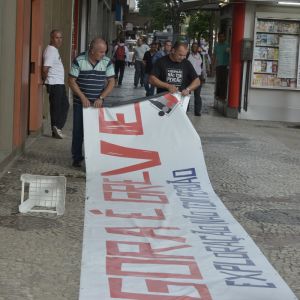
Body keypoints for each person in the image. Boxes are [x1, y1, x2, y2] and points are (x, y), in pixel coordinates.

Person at [68, 38, 115, 167]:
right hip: (80, 103)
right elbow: (71, 81)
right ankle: (77, 158)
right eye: (100, 52)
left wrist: (101, 97)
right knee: (78, 131)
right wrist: (83, 98)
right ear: (92, 51)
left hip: (97, 104)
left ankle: (93, 158)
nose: (103, 54)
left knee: (95, 132)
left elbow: (111, 82)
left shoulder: (107, 62)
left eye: (105, 51)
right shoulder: (79, 60)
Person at [42, 29, 69, 139]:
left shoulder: (53, 50)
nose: (59, 40)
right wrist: (45, 80)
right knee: (57, 106)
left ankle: (56, 129)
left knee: (63, 105)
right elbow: (45, 68)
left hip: (58, 83)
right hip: (55, 83)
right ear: (51, 38)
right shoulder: (51, 50)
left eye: (60, 37)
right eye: (56, 38)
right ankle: (56, 128)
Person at [212, 32, 230, 100]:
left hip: (225, 65)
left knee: (224, 81)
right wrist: (213, 66)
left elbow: (230, 55)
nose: (221, 38)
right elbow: (214, 55)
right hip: (218, 65)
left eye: (222, 37)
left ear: (225, 37)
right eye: (219, 37)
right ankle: (218, 95)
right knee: (218, 81)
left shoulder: (227, 45)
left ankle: (223, 96)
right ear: (218, 37)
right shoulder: (216, 45)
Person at [188, 42, 203, 116]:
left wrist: (203, 77)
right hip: (189, 77)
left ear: (198, 48)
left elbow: (203, 67)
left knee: (197, 95)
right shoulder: (188, 55)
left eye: (196, 47)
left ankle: (197, 111)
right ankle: (185, 109)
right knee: (187, 94)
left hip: (198, 77)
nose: (194, 48)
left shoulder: (201, 56)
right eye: (193, 47)